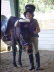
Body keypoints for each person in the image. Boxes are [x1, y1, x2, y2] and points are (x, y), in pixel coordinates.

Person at [24, 4, 42, 70]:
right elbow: (16, 26)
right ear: (25, 15)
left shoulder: (35, 21)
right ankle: (32, 66)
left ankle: (38, 66)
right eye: (27, 14)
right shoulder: (23, 21)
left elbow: (39, 29)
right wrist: (17, 21)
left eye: (29, 14)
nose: (28, 15)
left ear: (32, 15)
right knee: (29, 50)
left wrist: (36, 31)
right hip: (27, 38)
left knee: (36, 50)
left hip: (34, 37)